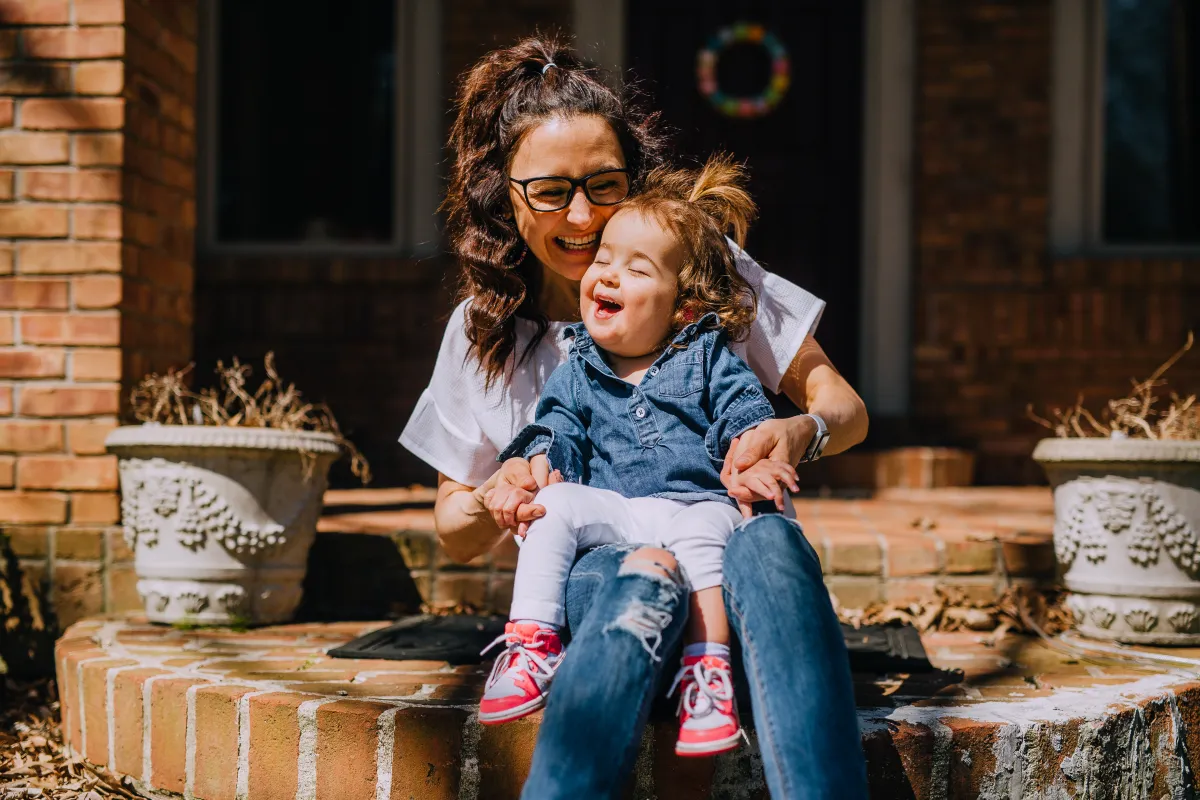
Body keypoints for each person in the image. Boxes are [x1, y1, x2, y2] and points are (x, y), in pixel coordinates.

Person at [399, 34, 870, 798]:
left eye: (605, 183)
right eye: (551, 192)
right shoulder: (483, 329)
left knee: (772, 548)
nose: (583, 218)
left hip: (726, 569)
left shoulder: (692, 259)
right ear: (503, 193)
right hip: (604, 591)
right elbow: (452, 527)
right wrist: (500, 495)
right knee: (630, 577)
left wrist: (796, 431)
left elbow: (842, 407)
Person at [478, 156, 800, 759]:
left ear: (682, 306)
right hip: (623, 517)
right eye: (603, 260)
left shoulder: (704, 356)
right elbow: (555, 431)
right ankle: (532, 643)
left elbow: (741, 416)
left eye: (636, 267)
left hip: (699, 505)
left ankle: (709, 672)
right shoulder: (578, 370)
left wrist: (753, 457)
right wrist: (531, 470)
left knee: (708, 530)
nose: (607, 274)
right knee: (555, 505)